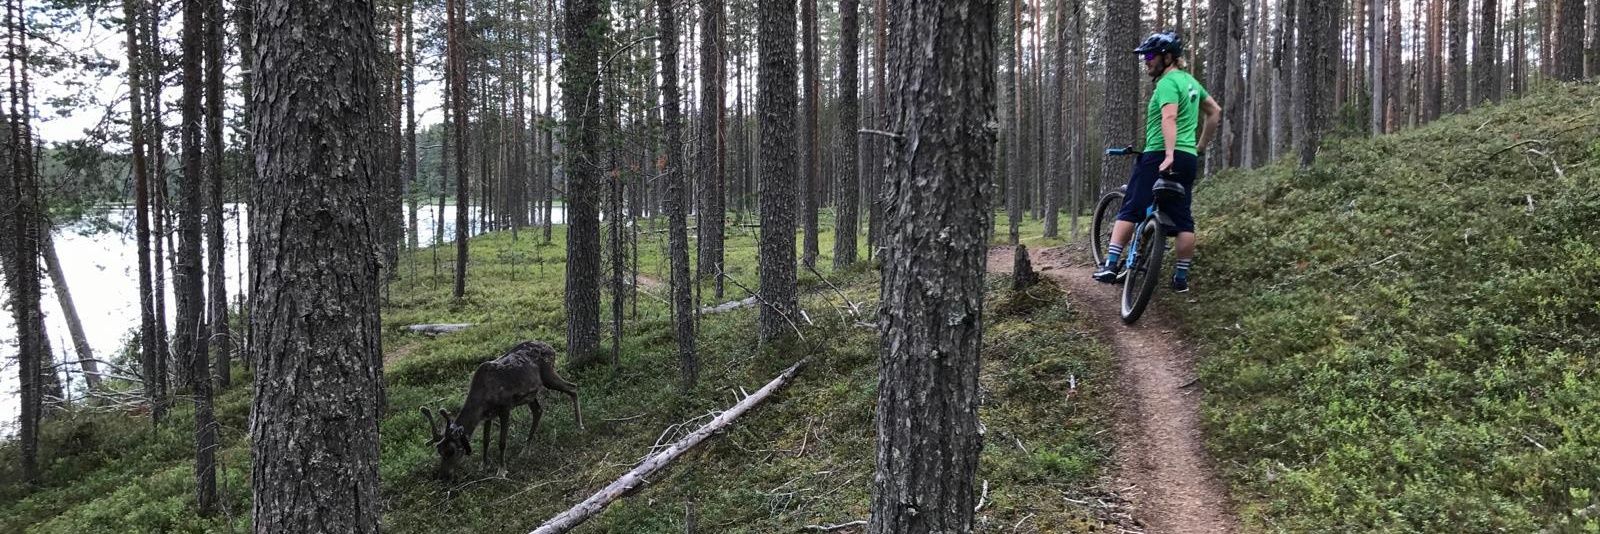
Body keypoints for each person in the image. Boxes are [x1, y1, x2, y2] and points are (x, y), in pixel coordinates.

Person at [1093, 30, 1222, 293]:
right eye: (1145, 56)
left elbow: (1169, 117)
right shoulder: (1190, 82)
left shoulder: (1167, 83)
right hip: (1187, 157)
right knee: (1183, 218)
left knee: (1132, 208)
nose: (1146, 61)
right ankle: (1180, 278)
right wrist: (1199, 147)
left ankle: (1111, 264)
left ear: (1168, 57)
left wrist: (1169, 154)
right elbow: (1214, 112)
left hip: (1160, 154)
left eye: (1151, 56)